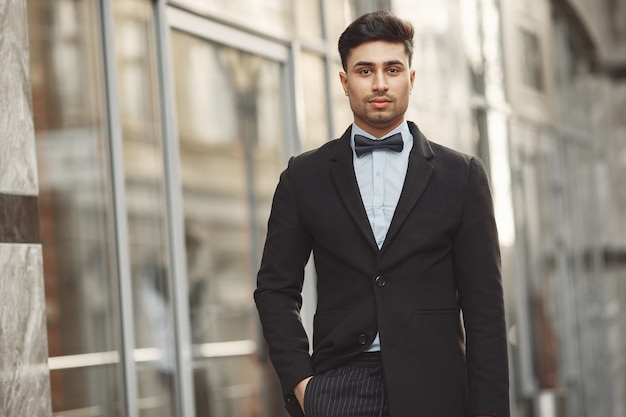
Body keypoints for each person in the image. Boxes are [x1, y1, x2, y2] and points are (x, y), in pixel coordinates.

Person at [254, 9, 509, 417]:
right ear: (344, 81)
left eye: (392, 69)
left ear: (410, 78)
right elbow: (275, 289)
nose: (379, 83)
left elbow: (485, 312)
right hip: (339, 389)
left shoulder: (460, 176)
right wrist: (302, 385)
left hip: (437, 390)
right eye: (364, 70)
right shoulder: (304, 176)